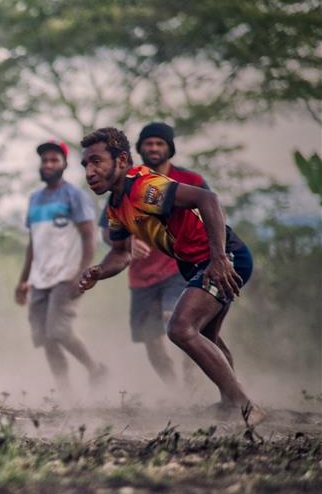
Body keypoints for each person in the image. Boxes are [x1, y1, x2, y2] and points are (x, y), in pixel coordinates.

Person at [77, 127, 264, 424]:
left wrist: (218, 259)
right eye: (86, 164)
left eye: (96, 161)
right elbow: (121, 253)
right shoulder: (116, 206)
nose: (89, 171)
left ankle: (244, 406)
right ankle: (230, 400)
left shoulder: (142, 187)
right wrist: (98, 271)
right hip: (195, 263)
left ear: (122, 160)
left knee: (180, 328)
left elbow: (208, 200)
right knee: (206, 335)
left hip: (224, 257)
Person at [104, 122, 209, 384]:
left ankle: (193, 378)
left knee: (177, 321)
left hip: (180, 268)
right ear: (140, 148)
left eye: (159, 143)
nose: (153, 148)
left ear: (169, 149)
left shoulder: (191, 181)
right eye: (148, 143)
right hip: (140, 277)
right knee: (151, 342)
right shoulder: (127, 184)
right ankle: (174, 391)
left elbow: (212, 212)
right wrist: (126, 243)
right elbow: (106, 229)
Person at [15, 141, 107, 393]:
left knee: (58, 330)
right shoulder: (35, 199)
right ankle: (65, 393)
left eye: (54, 160)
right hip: (39, 278)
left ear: (65, 164)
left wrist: (82, 273)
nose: (48, 164)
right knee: (45, 338)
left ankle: (95, 368)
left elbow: (90, 236)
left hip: (66, 276)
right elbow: (34, 242)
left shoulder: (74, 196)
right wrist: (23, 280)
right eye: (45, 160)